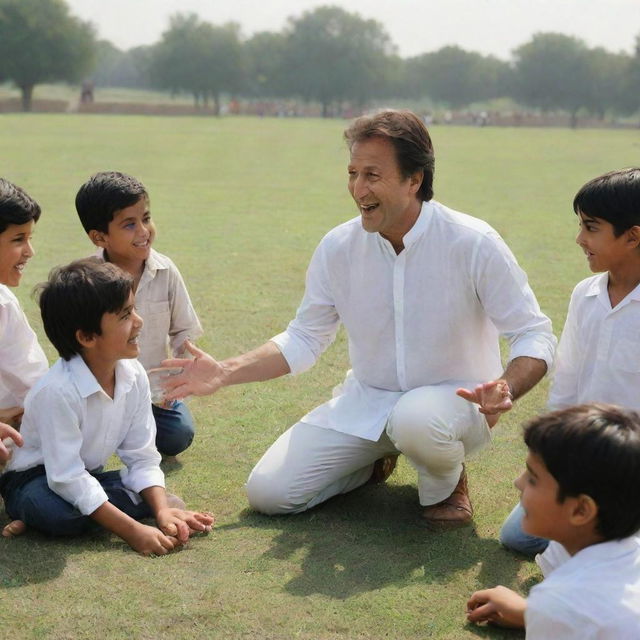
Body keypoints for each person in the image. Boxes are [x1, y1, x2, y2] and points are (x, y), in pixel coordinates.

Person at [162, 109, 555, 527]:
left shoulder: (474, 242)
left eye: (372, 174)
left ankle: (446, 478)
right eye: (352, 173)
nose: (357, 188)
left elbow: (534, 333)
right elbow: (305, 338)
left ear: (414, 179)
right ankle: (371, 465)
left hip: (454, 406)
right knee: (269, 494)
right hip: (367, 402)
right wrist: (224, 371)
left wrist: (505, 387)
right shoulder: (338, 246)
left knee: (418, 420)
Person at [0, 259, 213, 555]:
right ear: (86, 337)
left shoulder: (134, 374)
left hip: (86, 475)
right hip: (32, 480)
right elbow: (65, 476)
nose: (138, 321)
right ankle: (44, 515)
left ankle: (62, 517)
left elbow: (142, 456)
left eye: (134, 309)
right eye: (125, 315)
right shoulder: (57, 391)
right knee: (51, 509)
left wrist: (162, 511)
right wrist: (133, 531)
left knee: (77, 504)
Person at [500, 167, 640, 555]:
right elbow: (568, 382)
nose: (579, 239)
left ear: (633, 236)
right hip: (587, 462)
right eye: (580, 226)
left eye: (592, 228)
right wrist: (548, 463)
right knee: (519, 535)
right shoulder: (586, 295)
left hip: (631, 466)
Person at [467, 404, 640, 638]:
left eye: (533, 478)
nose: (518, 482)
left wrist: (542, 613)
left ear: (580, 510)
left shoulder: (559, 600)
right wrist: (531, 613)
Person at [75, 171, 203, 459]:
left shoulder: (166, 271)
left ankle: (125, 433)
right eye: (129, 224)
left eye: (145, 218)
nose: (144, 231)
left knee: (178, 435)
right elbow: (76, 344)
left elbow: (184, 331)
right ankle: (112, 430)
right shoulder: (86, 279)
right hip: (100, 394)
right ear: (99, 237)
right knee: (82, 441)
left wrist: (179, 381)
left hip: (154, 395)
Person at [0, 179, 49, 535]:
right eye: (18, 240)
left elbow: (35, 389)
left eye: (29, 238)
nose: (30, 251)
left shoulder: (3, 305)